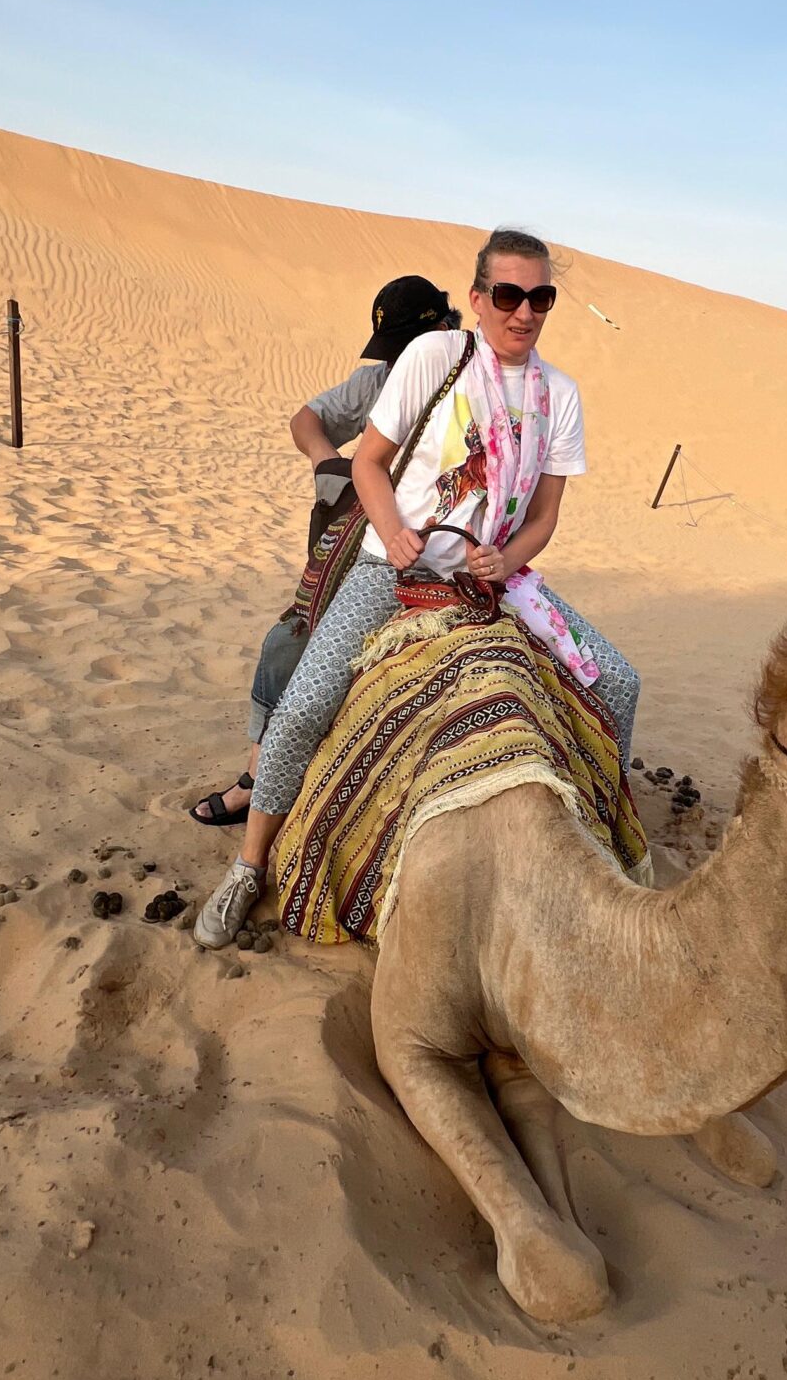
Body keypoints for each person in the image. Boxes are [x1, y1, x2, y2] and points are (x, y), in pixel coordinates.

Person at [195, 228, 641, 947]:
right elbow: (370, 462)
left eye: (540, 297)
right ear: (477, 298)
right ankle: (248, 866)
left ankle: (604, 847)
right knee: (305, 703)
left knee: (619, 682)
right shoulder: (435, 357)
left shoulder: (559, 395)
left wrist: (507, 558)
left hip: (493, 576)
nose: (523, 312)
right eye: (508, 295)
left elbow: (546, 515)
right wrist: (393, 532)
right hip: (389, 567)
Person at [188, 275, 458, 826]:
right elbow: (306, 419)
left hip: (454, 550)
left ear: (443, 331)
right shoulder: (381, 380)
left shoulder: (473, 381)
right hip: (376, 543)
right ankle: (259, 774)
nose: (398, 359)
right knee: (292, 639)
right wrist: (325, 460)